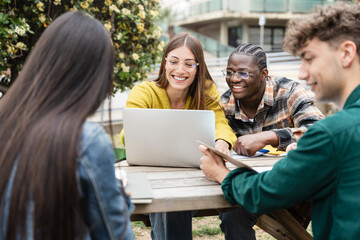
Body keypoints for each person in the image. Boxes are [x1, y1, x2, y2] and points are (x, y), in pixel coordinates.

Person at [199, 2, 360, 239]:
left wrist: (220, 173)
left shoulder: (331, 134)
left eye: (309, 58)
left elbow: (264, 192)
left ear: (346, 53)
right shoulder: (225, 104)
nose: (303, 73)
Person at [0, 11, 134, 240]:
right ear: (95, 77)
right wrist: (119, 198)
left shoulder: (6, 121)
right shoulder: (85, 140)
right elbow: (116, 236)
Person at [120, 32, 237, 240]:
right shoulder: (143, 92)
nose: (180, 70)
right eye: (173, 61)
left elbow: (220, 124)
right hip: (151, 178)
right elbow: (126, 134)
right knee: (169, 206)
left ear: (198, 67)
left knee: (173, 206)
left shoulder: (206, 93)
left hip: (194, 178)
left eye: (189, 64)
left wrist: (221, 142)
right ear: (165, 63)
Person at [217, 43, 324, 239]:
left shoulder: (289, 92)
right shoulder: (224, 105)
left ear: (263, 73)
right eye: (230, 72)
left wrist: (271, 136)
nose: (233, 79)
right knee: (232, 212)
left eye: (243, 73)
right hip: (253, 186)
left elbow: (319, 130)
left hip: (294, 184)